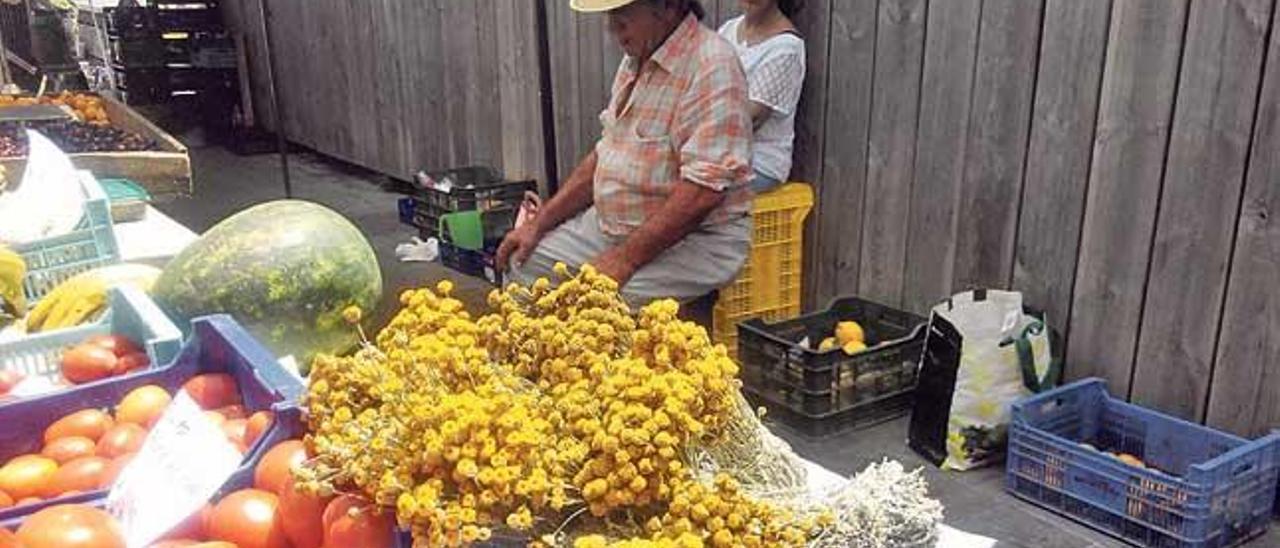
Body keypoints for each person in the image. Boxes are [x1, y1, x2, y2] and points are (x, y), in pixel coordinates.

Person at [499, 0, 754, 307]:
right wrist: (537, 224)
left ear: (669, 5)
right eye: (610, 14)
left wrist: (624, 260)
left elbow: (702, 193)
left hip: (697, 242)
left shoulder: (713, 66)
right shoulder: (637, 58)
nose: (612, 26)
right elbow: (605, 154)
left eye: (622, 14)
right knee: (522, 264)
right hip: (610, 226)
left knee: (600, 308)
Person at [718, 0, 806, 194]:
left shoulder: (785, 48)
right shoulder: (728, 30)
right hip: (716, 151)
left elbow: (749, 121)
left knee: (690, 191)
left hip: (758, 164)